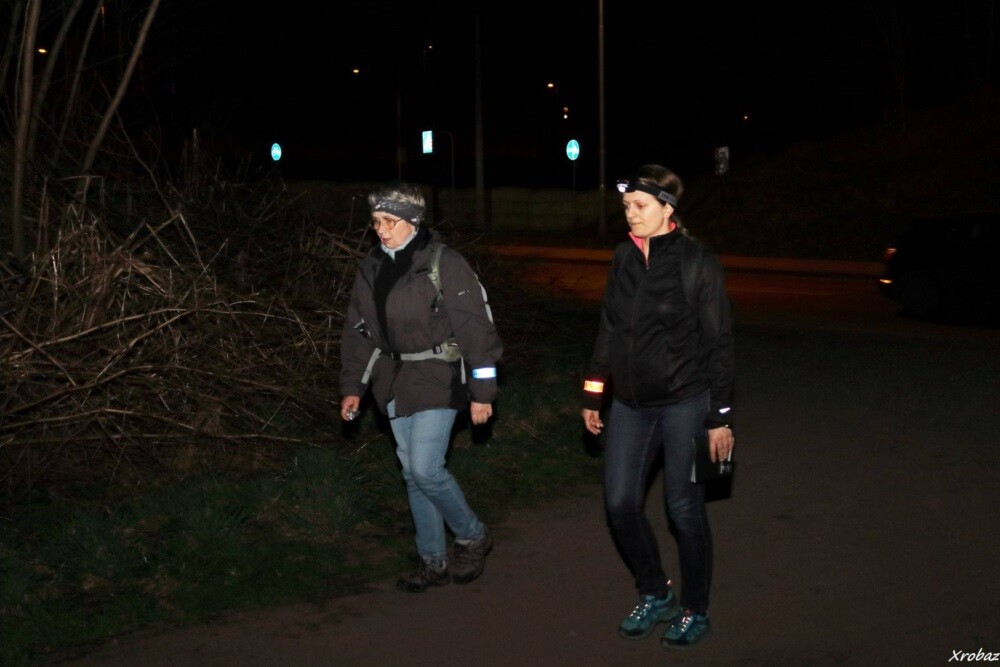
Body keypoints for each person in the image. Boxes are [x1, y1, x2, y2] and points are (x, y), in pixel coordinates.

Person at [580, 164, 735, 647]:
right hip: (630, 404)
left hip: (687, 402)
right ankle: (656, 592)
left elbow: (719, 343)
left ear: (668, 209)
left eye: (641, 205)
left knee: (684, 511)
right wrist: (594, 392)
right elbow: (609, 328)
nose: (631, 213)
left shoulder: (696, 262)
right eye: (627, 205)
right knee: (620, 503)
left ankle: (695, 608)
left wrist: (720, 417)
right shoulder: (623, 258)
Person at [339, 181, 503, 593]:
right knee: (413, 475)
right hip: (393, 381)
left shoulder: (445, 263)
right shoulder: (371, 266)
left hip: (438, 377)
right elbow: (358, 331)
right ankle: (432, 560)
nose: (381, 230)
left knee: (426, 468)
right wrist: (353, 385)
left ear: (412, 222)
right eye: (376, 221)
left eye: (389, 221)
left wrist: (483, 392)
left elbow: (477, 330)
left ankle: (472, 535)